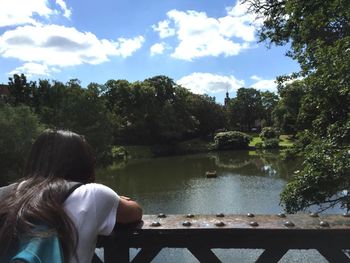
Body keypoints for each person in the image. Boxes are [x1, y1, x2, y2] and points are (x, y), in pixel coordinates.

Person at [0, 129, 142, 262]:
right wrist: (116, 200)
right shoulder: (93, 195)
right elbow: (134, 212)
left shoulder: (4, 194)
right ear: (83, 163)